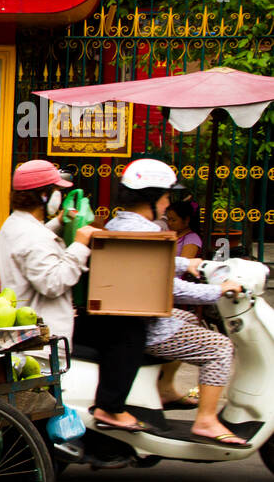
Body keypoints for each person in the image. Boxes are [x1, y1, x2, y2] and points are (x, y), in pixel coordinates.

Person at [103, 159, 246, 444]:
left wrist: (189, 263)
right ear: (152, 198)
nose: (169, 203)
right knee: (220, 347)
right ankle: (206, 420)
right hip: (144, 323)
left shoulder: (118, 223)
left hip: (126, 316)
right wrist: (219, 291)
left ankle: (165, 388)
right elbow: (168, 287)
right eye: (167, 196)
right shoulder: (146, 231)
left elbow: (155, 259)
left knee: (189, 319)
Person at [0, 160, 94, 346]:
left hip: (26, 332)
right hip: (42, 342)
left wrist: (58, 222)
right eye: (57, 190)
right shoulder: (33, 235)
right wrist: (80, 245)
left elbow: (33, 249)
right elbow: (52, 283)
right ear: (43, 195)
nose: (60, 196)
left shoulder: (14, 225)